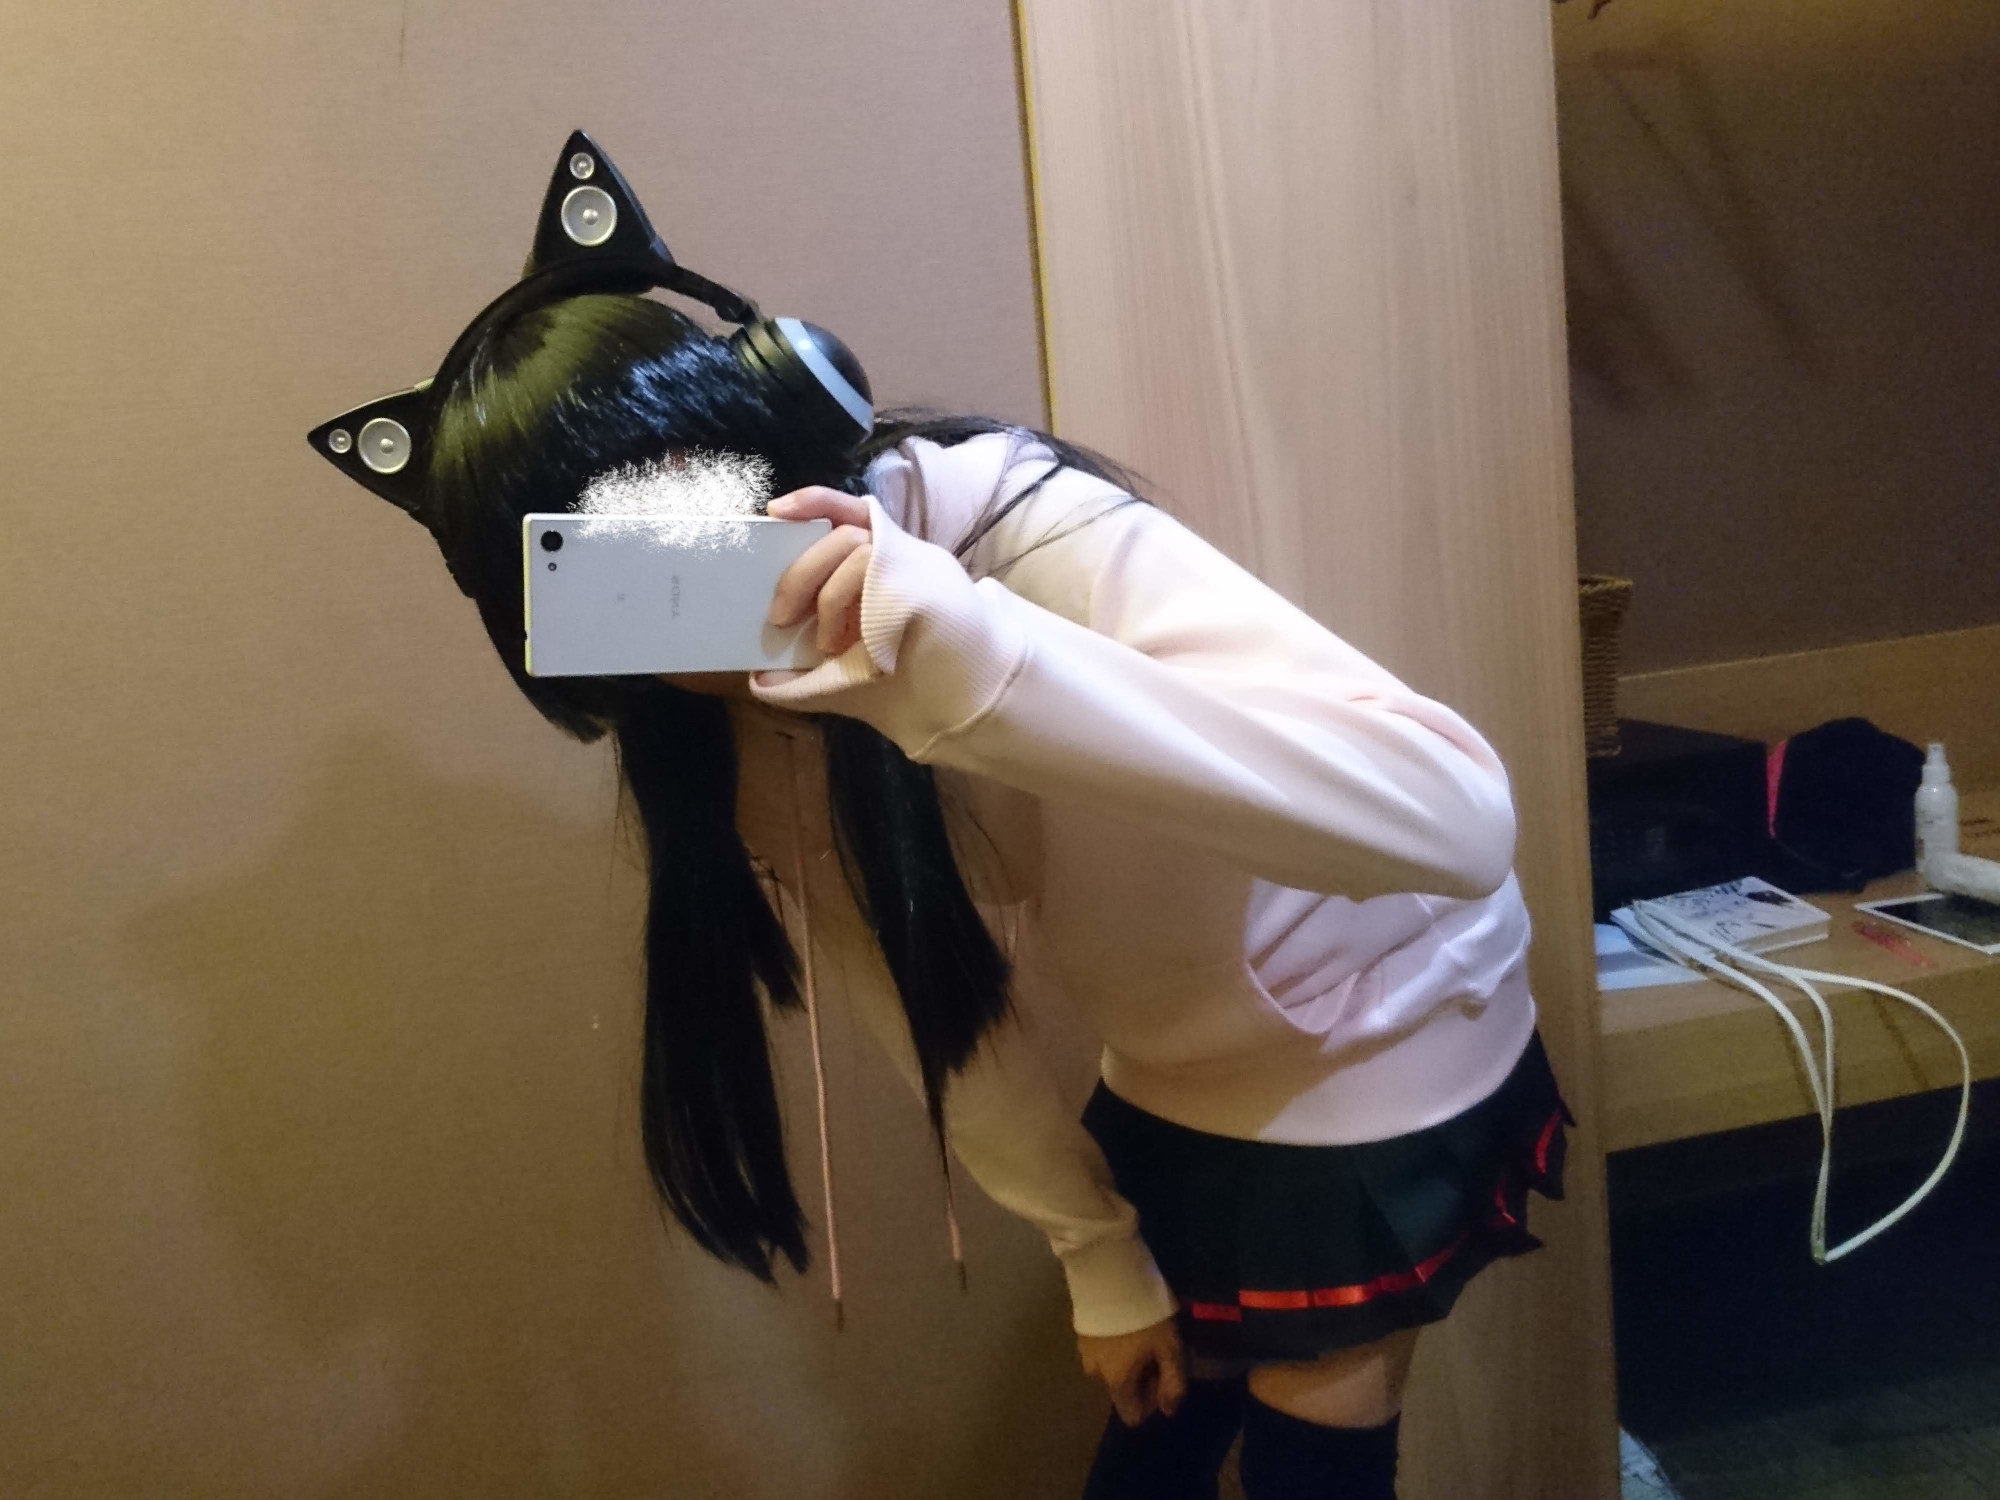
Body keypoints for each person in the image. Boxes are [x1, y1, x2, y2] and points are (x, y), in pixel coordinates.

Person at [313, 136, 1571, 1500]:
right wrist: (1096, 1255)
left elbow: (1456, 826)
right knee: (1160, 1434)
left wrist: (972, 664)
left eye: (682, 531)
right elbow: (920, 995)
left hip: (1385, 1008)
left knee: (1310, 1428)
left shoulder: (1015, 525)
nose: (675, 611)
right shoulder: (713, 725)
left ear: (766, 432)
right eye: (598, 588)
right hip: (1177, 1062)